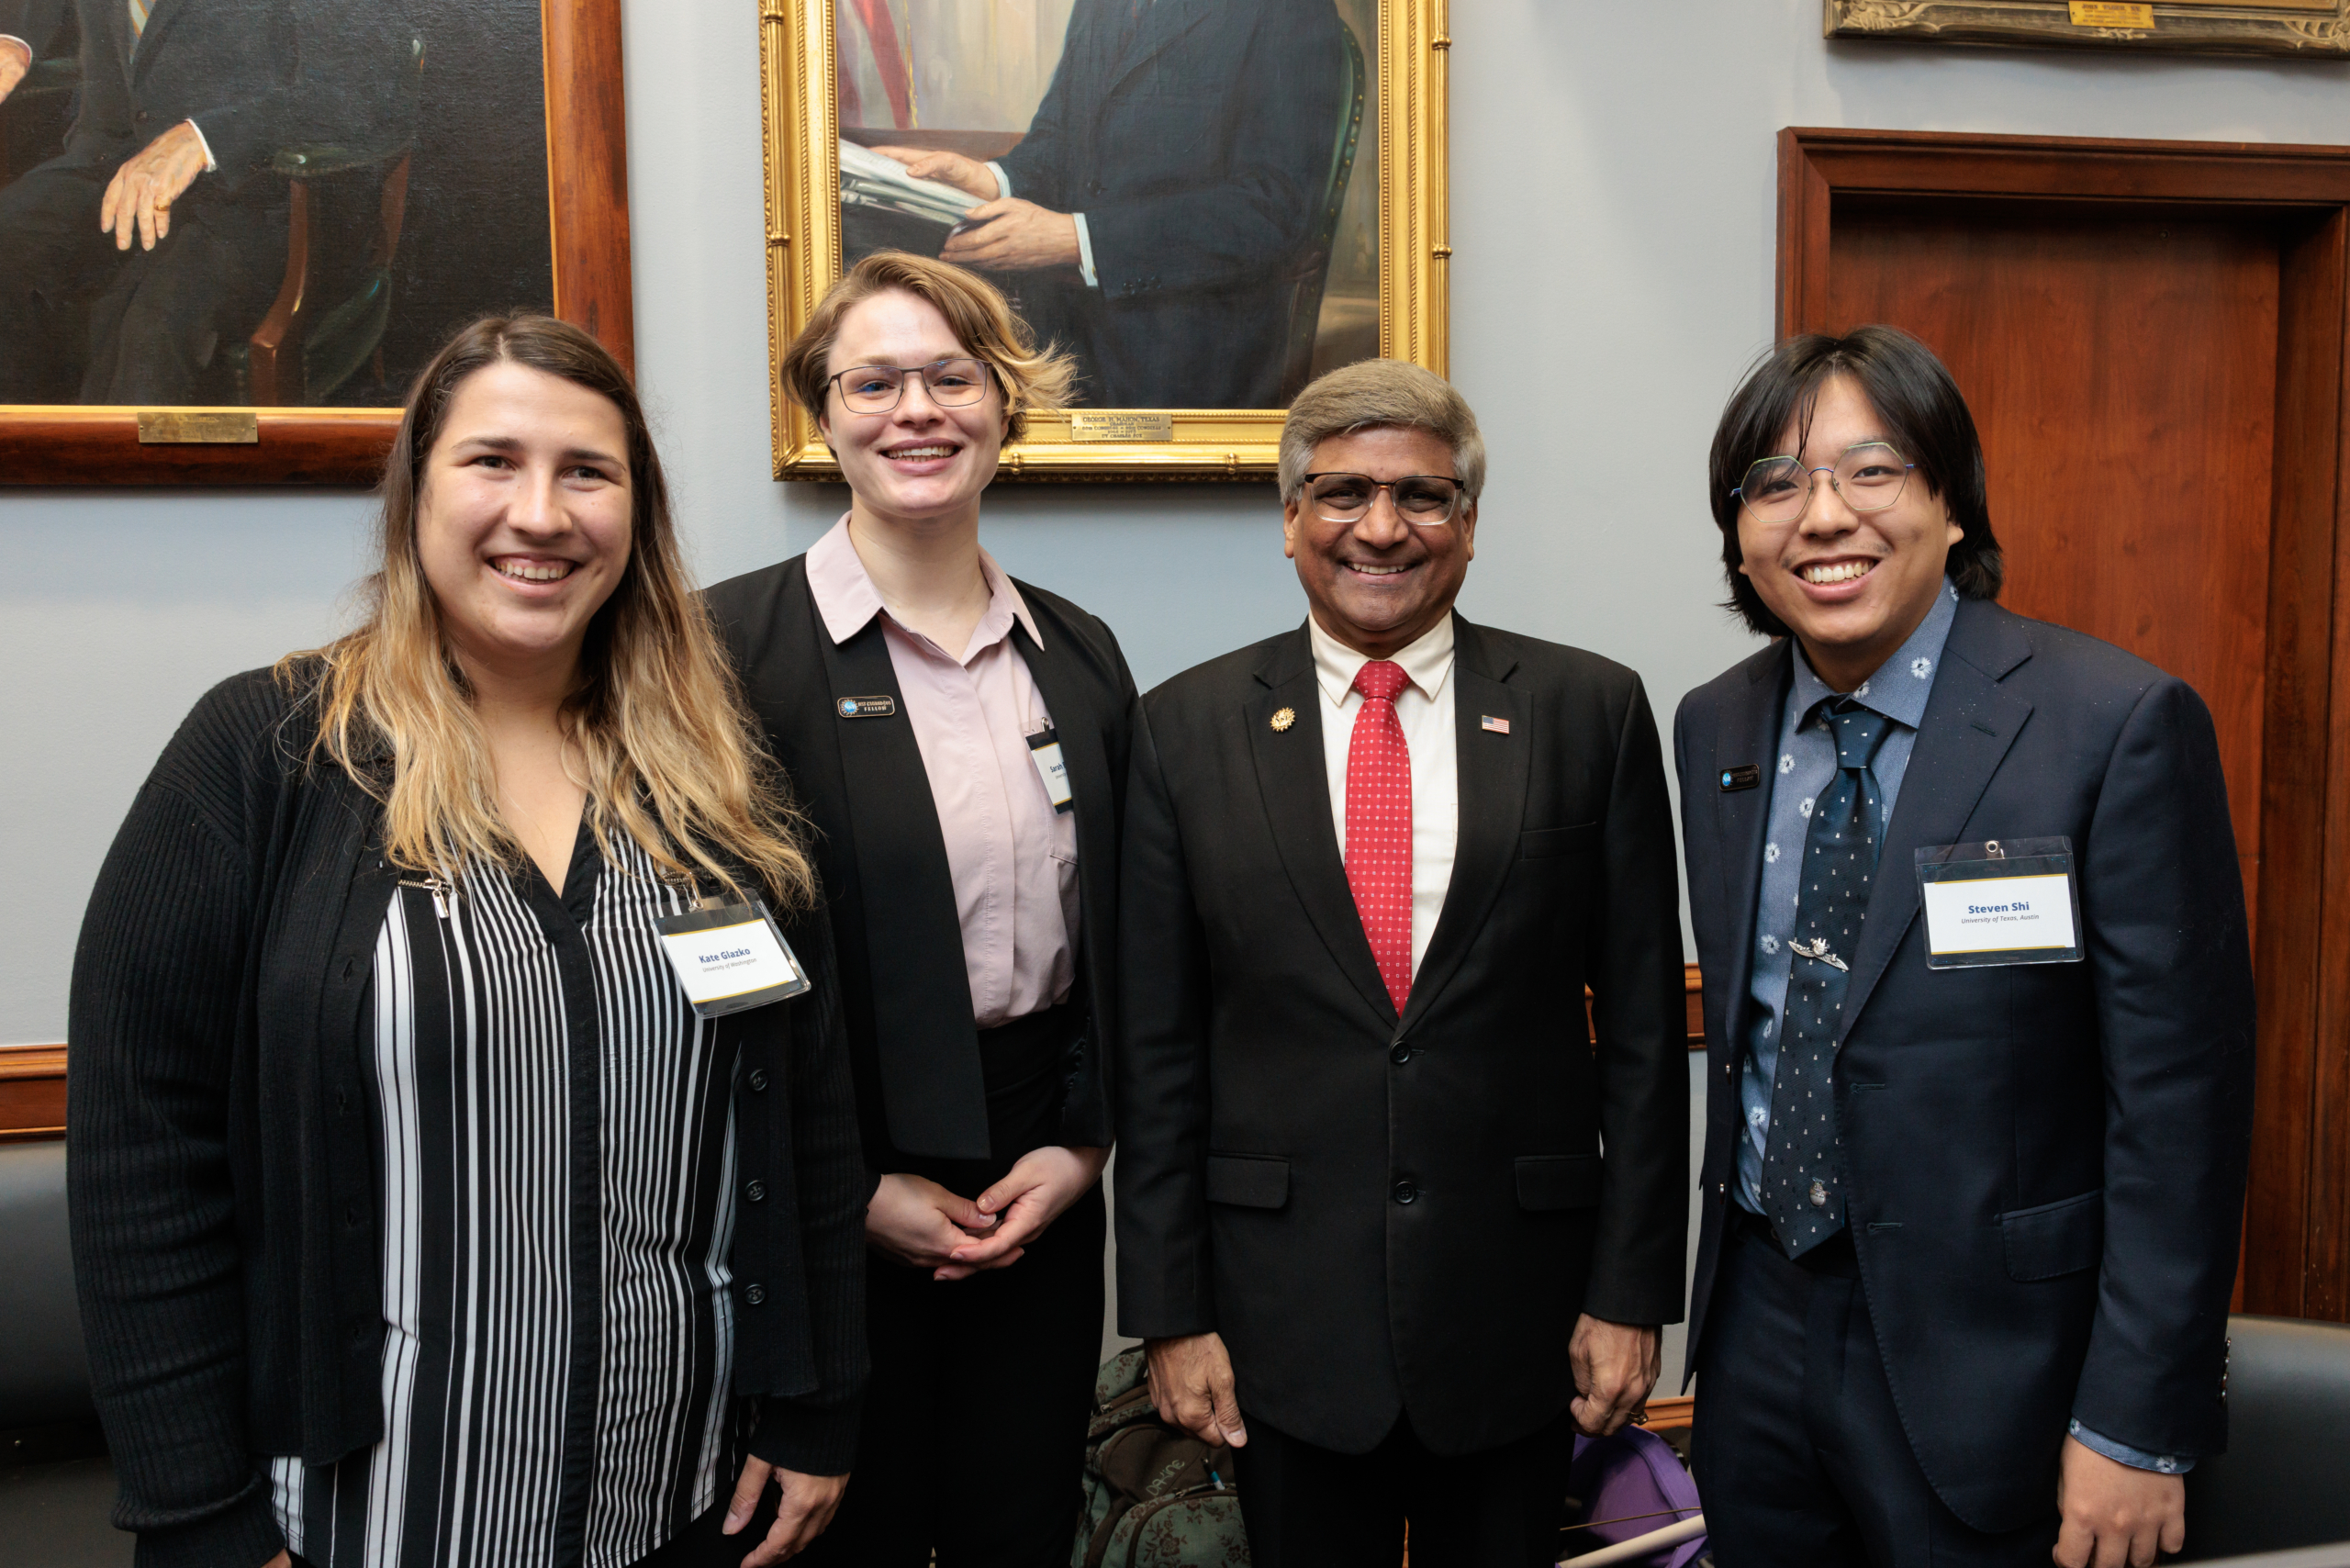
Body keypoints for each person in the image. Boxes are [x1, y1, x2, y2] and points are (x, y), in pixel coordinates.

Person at [68, 316, 867, 1568]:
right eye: (492, 462)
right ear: (415, 495)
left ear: (637, 515)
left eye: (587, 473)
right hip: (360, 1523)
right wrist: (196, 1514)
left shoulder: (720, 780)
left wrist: (820, 1404)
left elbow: (805, 1118)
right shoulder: (266, 755)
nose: (540, 514)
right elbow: (139, 1161)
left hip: (684, 1501)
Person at [1674, 326, 2255, 1568]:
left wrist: (2138, 1424)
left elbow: (2181, 1112)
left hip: (2005, 1370)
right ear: (1739, 537)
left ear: (1949, 502)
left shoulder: (2112, 725)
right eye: (1773, 486)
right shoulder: (1714, 727)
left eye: (1869, 471)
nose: (1820, 516)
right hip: (1758, 1339)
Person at [1115, 358, 1690, 1568]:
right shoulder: (1183, 729)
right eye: (1342, 494)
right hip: (1280, 1321)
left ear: (1469, 524)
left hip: (1522, 1314)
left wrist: (1631, 1294)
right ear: (1289, 521)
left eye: (1423, 496)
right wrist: (1171, 1316)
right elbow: (1159, 1049)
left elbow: (1644, 1036)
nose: (1382, 528)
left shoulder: (1591, 712)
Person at [702, 251, 1136, 1568]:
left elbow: (1126, 936)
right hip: (819, 1184)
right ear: (820, 413)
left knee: (1018, 1529)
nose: (917, 410)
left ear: (1006, 404)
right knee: (839, 1539)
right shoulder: (723, 652)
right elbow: (702, 960)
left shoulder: (1080, 651)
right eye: (874, 380)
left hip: (1041, 1177)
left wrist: (1083, 1151)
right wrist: (849, 1191)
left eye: (953, 377)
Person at [869, 0, 1345, 409]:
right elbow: (1058, 140)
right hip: (1060, 330)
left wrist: (1076, 238)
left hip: (1190, 352)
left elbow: (1274, 209)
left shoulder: (1289, 8)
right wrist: (990, 178)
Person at [0, 0, 413, 402]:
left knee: (155, 324)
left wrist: (204, 138)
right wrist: (14, 37)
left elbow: (359, 88)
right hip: (116, 159)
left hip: (269, 193)